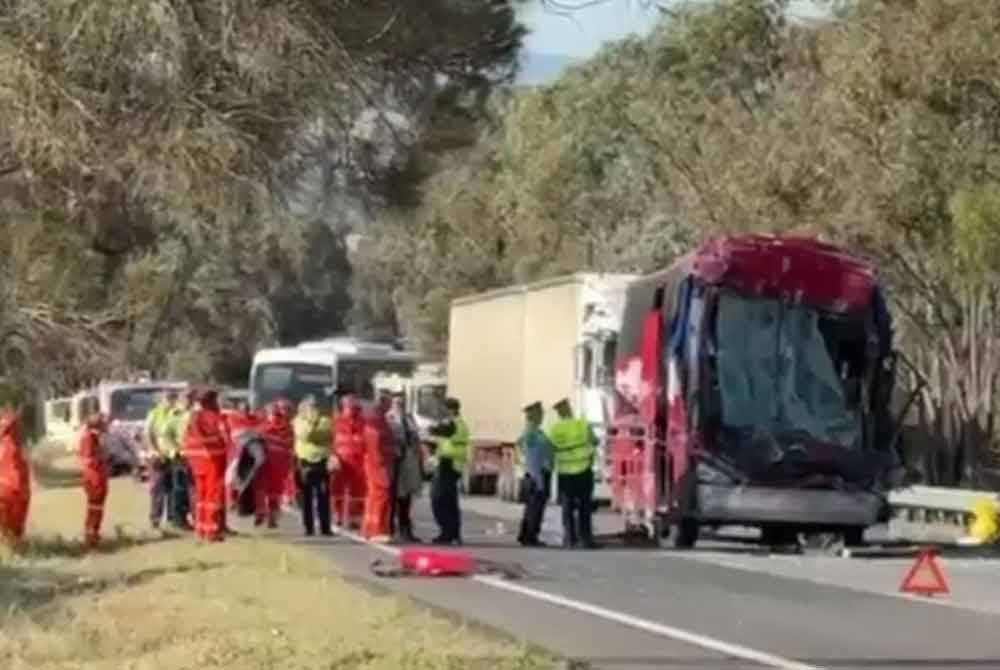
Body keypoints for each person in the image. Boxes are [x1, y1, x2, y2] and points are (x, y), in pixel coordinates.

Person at [546, 398, 599, 549]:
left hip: (565, 473)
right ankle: (586, 540)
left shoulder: (556, 429)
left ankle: (569, 540)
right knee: (584, 507)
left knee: (567, 508)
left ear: (558, 413)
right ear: (570, 409)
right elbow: (595, 441)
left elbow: (551, 449)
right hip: (583, 470)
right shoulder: (582, 424)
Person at [183, 388, 229, 542]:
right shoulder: (215, 417)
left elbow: (187, 439)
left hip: (196, 461)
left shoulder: (192, 418)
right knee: (213, 495)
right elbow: (224, 437)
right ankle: (212, 531)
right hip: (213, 460)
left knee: (201, 495)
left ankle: (200, 528)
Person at [146, 391, 192, 531]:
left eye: (173, 398)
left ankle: (173, 518)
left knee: (174, 488)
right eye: (168, 398)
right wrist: (154, 451)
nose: (171, 401)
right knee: (158, 489)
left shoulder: (176, 412)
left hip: (173, 456)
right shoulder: (155, 413)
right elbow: (149, 434)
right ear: (162, 399)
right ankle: (155, 519)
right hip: (159, 455)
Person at [428, 397, 469, 546]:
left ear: (450, 409)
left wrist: (431, 429)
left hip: (448, 464)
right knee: (450, 501)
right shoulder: (459, 423)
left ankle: (447, 532)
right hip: (452, 465)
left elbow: (437, 431)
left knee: (438, 499)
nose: (442, 412)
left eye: (444, 409)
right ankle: (453, 533)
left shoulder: (452, 423)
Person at [293, 396, 333, 536]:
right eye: (310, 406)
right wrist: (312, 423)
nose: (313, 409)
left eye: (315, 406)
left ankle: (325, 527)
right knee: (307, 496)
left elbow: (327, 434)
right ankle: (308, 527)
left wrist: (316, 428)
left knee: (323, 495)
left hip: (322, 461)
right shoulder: (299, 421)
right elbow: (306, 435)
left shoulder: (325, 420)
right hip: (304, 461)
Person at [386, 392, 423, 543]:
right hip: (395, 460)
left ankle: (406, 529)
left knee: (407, 496)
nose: (399, 405)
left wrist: (418, 456)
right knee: (394, 496)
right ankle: (390, 529)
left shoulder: (409, 418)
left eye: (402, 402)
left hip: (409, 458)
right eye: (397, 402)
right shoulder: (389, 417)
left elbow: (415, 438)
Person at [517, 401, 553, 547]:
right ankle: (531, 536)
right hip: (536, 474)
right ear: (533, 415)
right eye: (540, 413)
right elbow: (533, 458)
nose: (542, 415)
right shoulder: (531, 433)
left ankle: (526, 535)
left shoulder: (536, 432)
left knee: (532, 507)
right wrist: (538, 480)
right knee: (535, 508)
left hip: (535, 473)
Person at [361, 395, 394, 543]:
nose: (390, 406)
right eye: (389, 403)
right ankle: (378, 530)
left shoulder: (378, 420)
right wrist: (381, 464)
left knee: (375, 496)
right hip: (377, 464)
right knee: (381, 495)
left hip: (378, 463)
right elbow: (374, 445)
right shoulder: (376, 422)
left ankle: (370, 528)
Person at [257, 399, 294, 529]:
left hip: (267, 463)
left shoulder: (263, 427)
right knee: (274, 491)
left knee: (264, 489)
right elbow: (290, 446)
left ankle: (263, 513)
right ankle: (271, 516)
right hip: (279, 464)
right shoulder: (287, 427)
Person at [331, 394, 366, 529]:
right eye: (349, 407)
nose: (352, 410)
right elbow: (330, 441)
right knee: (337, 489)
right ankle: (338, 515)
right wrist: (332, 456)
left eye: (354, 407)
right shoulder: (336, 421)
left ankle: (355, 518)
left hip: (358, 460)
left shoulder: (363, 422)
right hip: (340, 460)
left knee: (357, 491)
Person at [78, 412, 110, 548]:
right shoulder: (89, 438)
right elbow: (90, 460)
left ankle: (93, 534)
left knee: (97, 507)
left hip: (97, 477)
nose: (107, 426)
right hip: (94, 478)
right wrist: (102, 458)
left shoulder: (93, 437)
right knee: (95, 507)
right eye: (104, 424)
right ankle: (90, 536)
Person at [0, 406, 30, 544]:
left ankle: (12, 544)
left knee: (13, 523)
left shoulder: (14, 445)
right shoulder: (10, 445)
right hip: (11, 488)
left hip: (15, 488)